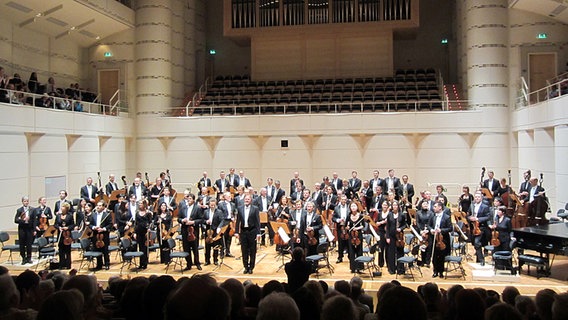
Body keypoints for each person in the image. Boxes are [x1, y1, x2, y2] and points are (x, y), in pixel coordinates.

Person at [235, 194, 261, 274]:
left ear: (251, 200)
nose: (247, 200)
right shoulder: (240, 208)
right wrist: (236, 232)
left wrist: (258, 233)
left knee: (252, 250)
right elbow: (238, 221)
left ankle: (251, 267)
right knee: (244, 250)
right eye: (245, 199)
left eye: (248, 199)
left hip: (252, 231)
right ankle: (246, 267)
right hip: (243, 232)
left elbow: (257, 222)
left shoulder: (255, 209)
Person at [177, 191, 203, 270]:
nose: (188, 200)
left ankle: (197, 263)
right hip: (185, 229)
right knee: (186, 247)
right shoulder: (183, 207)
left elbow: (201, 219)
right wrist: (182, 220)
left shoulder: (198, 208)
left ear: (193, 200)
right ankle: (189, 264)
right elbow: (178, 218)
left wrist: (193, 222)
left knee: (195, 247)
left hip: (193, 230)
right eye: (188, 198)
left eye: (190, 199)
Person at [429, 201, 452, 278]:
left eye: (435, 206)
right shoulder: (433, 216)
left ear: (440, 207)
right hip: (434, 238)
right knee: (434, 256)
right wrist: (431, 230)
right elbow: (429, 225)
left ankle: (441, 271)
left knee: (441, 256)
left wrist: (441, 230)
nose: (433, 208)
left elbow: (450, 228)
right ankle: (435, 271)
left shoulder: (446, 217)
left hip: (443, 239)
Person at [468, 192, 490, 265]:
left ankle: (481, 260)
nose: (477, 198)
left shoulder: (485, 206)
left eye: (478, 197)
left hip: (481, 228)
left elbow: (487, 217)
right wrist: (470, 218)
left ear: (481, 198)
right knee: (475, 243)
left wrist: (477, 219)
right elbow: (468, 214)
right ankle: (478, 260)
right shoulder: (472, 205)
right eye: (476, 197)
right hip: (473, 227)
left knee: (477, 243)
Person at [89, 201, 112, 270]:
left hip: (104, 235)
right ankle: (99, 265)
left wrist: (103, 229)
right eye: (97, 205)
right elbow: (90, 224)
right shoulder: (93, 215)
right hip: (95, 235)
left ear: (103, 207)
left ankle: (107, 264)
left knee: (105, 250)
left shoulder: (107, 215)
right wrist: (93, 227)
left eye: (100, 205)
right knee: (97, 249)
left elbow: (110, 224)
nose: (98, 207)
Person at [386, 201, 406, 275]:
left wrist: (400, 229)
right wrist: (387, 237)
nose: (394, 206)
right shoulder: (389, 215)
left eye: (396, 205)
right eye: (393, 205)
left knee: (400, 252)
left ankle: (400, 269)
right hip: (391, 236)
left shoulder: (402, 215)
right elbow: (387, 227)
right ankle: (392, 269)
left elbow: (404, 225)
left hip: (399, 237)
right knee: (391, 253)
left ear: (398, 206)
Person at [346, 202, 366, 273]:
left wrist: (357, 228)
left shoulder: (360, 216)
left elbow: (363, 225)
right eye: (352, 206)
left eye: (354, 206)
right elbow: (346, 225)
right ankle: (353, 268)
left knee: (359, 251)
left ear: (357, 207)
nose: (353, 207)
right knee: (351, 252)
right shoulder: (348, 216)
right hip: (351, 236)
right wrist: (348, 227)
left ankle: (359, 267)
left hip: (358, 235)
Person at [15, 196, 34, 264]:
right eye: (25, 201)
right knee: (22, 244)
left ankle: (29, 258)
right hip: (22, 229)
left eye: (27, 201)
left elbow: (34, 220)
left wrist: (34, 230)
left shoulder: (32, 209)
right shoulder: (19, 210)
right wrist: (22, 220)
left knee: (29, 244)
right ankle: (23, 258)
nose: (26, 202)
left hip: (29, 229)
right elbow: (16, 220)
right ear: (22, 202)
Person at [54, 202, 74, 269]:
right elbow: (55, 224)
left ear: (66, 208)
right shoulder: (58, 216)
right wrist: (59, 227)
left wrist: (67, 228)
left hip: (67, 235)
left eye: (63, 207)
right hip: (60, 235)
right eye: (61, 207)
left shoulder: (70, 216)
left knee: (67, 251)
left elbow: (73, 225)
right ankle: (61, 264)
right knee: (61, 251)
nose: (61, 208)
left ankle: (68, 265)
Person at [134, 200, 153, 269]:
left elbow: (151, 222)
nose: (140, 205)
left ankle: (145, 263)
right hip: (139, 232)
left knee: (144, 248)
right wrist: (135, 233)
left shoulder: (148, 213)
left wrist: (149, 229)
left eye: (141, 203)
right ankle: (140, 263)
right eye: (139, 204)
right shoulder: (137, 213)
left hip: (145, 232)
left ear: (144, 205)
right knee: (140, 247)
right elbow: (136, 223)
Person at [416, 200, 434, 267]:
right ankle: (423, 261)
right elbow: (418, 222)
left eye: (426, 204)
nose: (425, 205)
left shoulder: (431, 213)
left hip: (428, 232)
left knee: (429, 246)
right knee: (422, 246)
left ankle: (428, 261)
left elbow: (431, 223)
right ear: (421, 205)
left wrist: (428, 230)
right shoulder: (418, 213)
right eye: (424, 204)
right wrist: (421, 230)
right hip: (421, 231)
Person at [333, 195, 349, 263]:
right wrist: (338, 220)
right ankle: (340, 257)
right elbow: (333, 218)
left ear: (346, 200)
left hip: (347, 226)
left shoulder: (349, 207)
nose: (343, 201)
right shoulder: (336, 208)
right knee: (340, 243)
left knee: (348, 242)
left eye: (345, 199)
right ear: (340, 200)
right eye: (342, 199)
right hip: (340, 227)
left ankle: (350, 256)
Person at [219, 192, 236, 257]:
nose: (230, 197)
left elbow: (234, 212)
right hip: (224, 222)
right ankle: (222, 252)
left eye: (230, 196)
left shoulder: (233, 204)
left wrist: (234, 217)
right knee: (223, 237)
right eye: (228, 196)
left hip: (230, 222)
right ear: (225, 197)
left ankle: (228, 251)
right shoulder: (221, 204)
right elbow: (220, 214)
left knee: (229, 237)